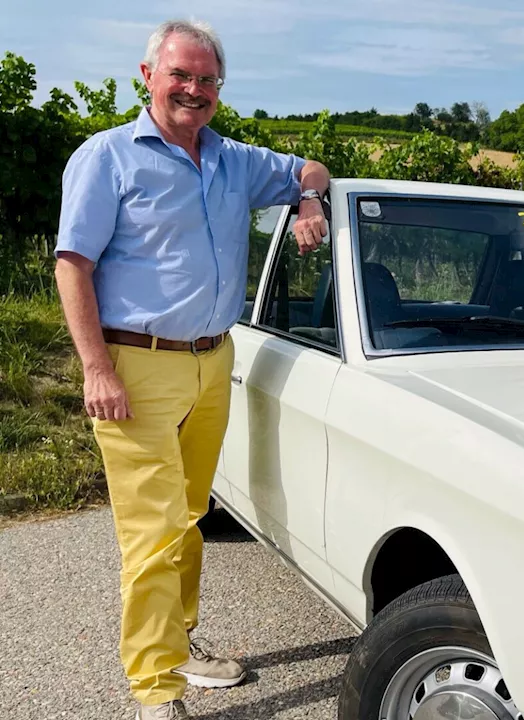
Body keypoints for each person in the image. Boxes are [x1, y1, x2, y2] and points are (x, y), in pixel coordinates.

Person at [53, 19, 330, 720]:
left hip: (214, 362)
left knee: (189, 517)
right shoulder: (107, 157)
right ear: (147, 75)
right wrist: (96, 369)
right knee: (151, 535)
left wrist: (308, 201)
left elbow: (311, 169)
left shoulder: (235, 160)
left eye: (208, 80)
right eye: (181, 75)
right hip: (134, 367)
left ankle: (178, 643)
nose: (195, 90)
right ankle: (156, 691)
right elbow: (72, 265)